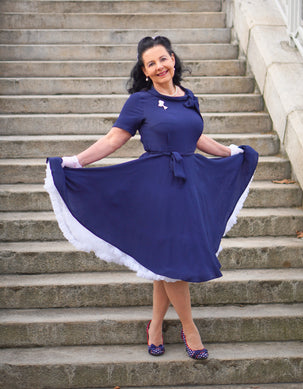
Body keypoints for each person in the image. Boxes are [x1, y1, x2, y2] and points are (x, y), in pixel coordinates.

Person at [45, 36, 258, 360]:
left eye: (163, 59)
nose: (159, 67)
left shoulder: (188, 98)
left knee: (167, 261)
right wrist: (77, 161)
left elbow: (196, 136)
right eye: (151, 63)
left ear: (173, 59)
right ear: (145, 71)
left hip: (189, 188)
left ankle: (155, 326)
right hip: (158, 188)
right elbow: (115, 138)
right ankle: (189, 328)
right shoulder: (140, 102)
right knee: (174, 261)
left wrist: (229, 151)